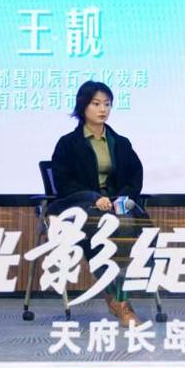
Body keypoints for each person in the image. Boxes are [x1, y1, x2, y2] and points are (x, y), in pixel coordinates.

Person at [50, 80, 145, 325]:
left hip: (116, 207)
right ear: (83, 106)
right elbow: (63, 183)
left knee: (124, 225)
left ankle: (116, 296)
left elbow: (135, 175)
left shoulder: (120, 142)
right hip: (82, 206)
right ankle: (120, 301)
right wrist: (94, 198)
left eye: (107, 104)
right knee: (102, 230)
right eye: (96, 104)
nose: (103, 109)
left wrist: (122, 197)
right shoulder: (67, 144)